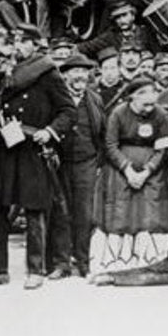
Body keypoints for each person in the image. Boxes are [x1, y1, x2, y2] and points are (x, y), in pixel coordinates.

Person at [0, 25, 75, 289]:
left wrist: (50, 131)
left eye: (23, 42)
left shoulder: (48, 73)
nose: (17, 46)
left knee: (34, 208)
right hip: (6, 146)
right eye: (15, 41)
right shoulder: (8, 72)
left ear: (35, 45)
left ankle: (36, 270)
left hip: (32, 147)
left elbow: (68, 110)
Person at [96, 75, 168, 271]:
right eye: (144, 99)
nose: (149, 106)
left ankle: (151, 260)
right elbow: (110, 145)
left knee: (152, 212)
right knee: (121, 212)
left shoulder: (162, 115)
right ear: (133, 97)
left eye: (153, 95)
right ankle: (117, 261)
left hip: (152, 171)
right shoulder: (118, 113)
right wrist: (127, 169)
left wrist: (147, 171)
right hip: (122, 171)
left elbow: (163, 148)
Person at [47, 53, 105, 278]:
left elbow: (102, 132)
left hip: (87, 162)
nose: (80, 75)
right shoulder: (56, 99)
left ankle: (83, 261)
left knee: (85, 214)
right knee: (61, 212)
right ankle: (61, 263)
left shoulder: (95, 100)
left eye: (83, 71)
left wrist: (99, 162)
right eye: (75, 71)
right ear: (65, 75)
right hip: (60, 162)